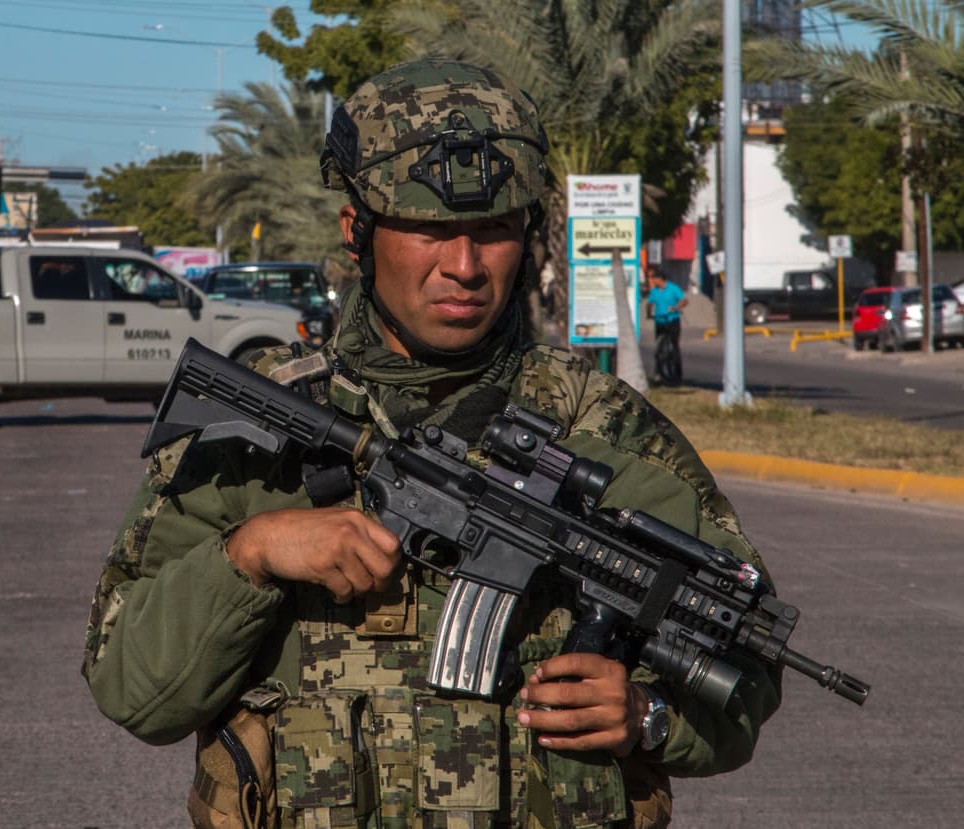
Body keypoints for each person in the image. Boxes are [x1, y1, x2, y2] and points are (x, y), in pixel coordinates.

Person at [82, 59, 779, 829]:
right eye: (430, 230)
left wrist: (647, 714)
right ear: (358, 230)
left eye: (493, 230)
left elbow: (746, 663)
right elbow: (132, 688)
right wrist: (252, 552)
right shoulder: (259, 426)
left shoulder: (606, 428)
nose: (465, 266)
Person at [645, 266, 687, 384]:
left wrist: (677, 307)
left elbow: (684, 300)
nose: (653, 281)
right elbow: (649, 304)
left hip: (672, 320)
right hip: (659, 321)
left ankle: (677, 375)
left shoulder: (673, 288)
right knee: (658, 349)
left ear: (661, 279)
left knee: (674, 347)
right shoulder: (654, 291)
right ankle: (658, 374)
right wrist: (649, 314)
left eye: (655, 279)